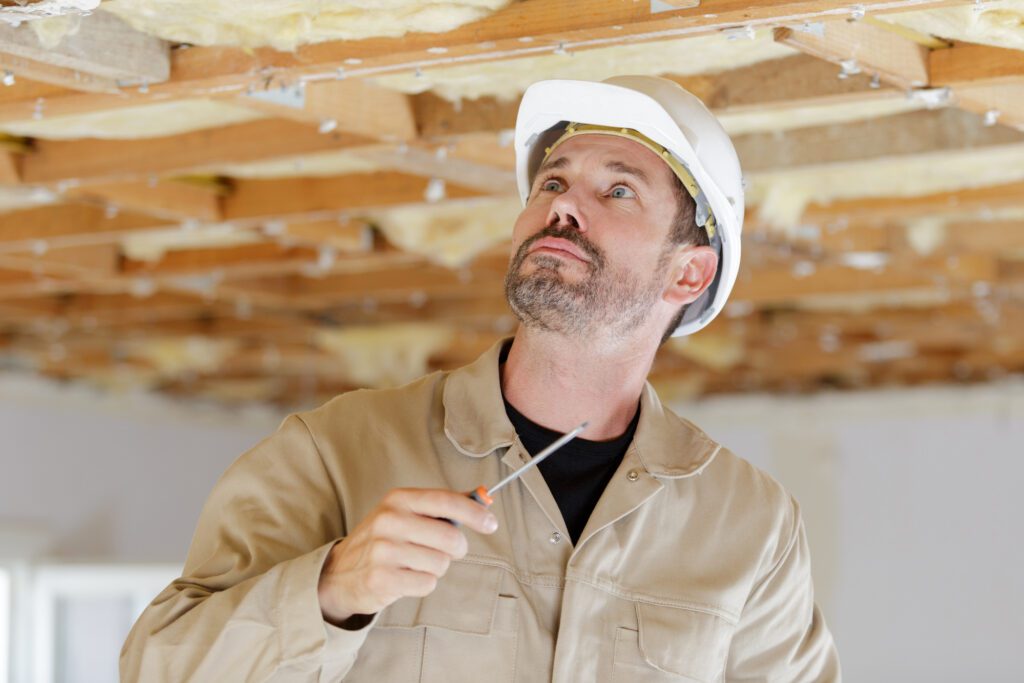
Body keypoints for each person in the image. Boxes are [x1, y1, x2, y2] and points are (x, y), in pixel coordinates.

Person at [121, 75, 840, 682]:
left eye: (617, 191)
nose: (563, 204)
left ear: (689, 271)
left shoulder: (752, 523)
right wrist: (333, 588)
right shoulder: (334, 452)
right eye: (553, 180)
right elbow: (156, 666)